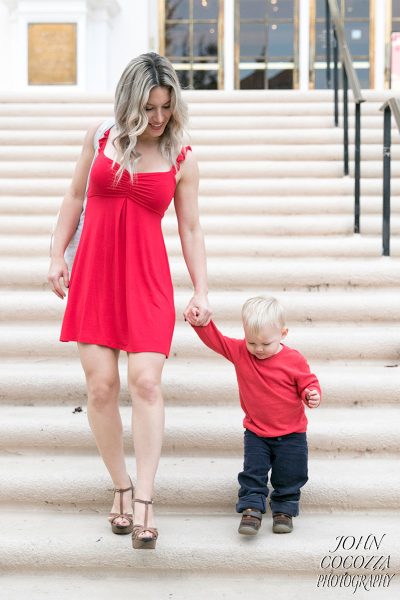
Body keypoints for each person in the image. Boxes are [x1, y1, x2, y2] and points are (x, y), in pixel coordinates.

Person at [48, 52, 211, 550]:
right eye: (150, 106)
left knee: (146, 383)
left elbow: (190, 226)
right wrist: (57, 254)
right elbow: (75, 197)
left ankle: (144, 498)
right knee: (100, 389)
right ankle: (119, 485)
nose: (159, 117)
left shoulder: (180, 155)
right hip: (95, 278)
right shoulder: (99, 138)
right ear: (129, 102)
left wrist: (201, 288)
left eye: (166, 106)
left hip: (147, 283)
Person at [189, 296, 321, 536]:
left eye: (265, 343)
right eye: (252, 342)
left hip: (292, 433)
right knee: (253, 472)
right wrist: (200, 323)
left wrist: (311, 394)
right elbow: (216, 340)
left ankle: (284, 510)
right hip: (257, 432)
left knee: (291, 474)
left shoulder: (294, 359)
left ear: (283, 333)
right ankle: (251, 508)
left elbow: (307, 383)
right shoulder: (241, 352)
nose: (258, 349)